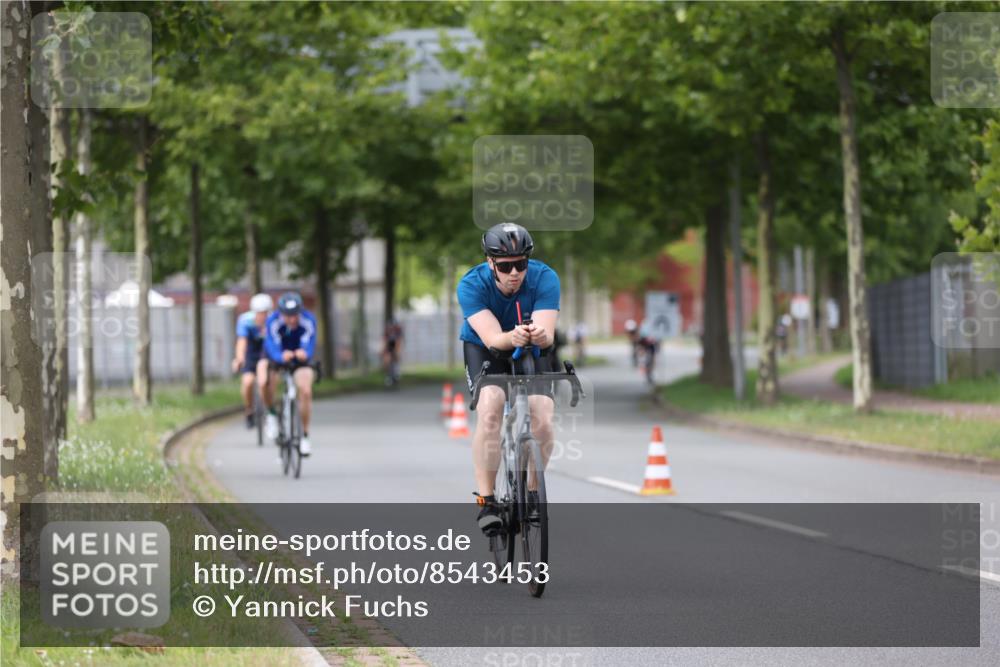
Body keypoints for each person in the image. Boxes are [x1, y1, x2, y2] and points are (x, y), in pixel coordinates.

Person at [457, 222, 560, 536]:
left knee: (543, 413)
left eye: (521, 264)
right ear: (490, 263)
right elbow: (491, 339)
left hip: (530, 347)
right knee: (491, 407)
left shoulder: (545, 278)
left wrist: (539, 335)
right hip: (487, 348)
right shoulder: (471, 285)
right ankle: (487, 501)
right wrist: (511, 336)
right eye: (505, 266)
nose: (515, 272)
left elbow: (547, 335)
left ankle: (531, 493)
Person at [263, 292, 318, 456]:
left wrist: (304, 352)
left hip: (300, 360)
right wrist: (280, 356)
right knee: (267, 382)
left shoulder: (309, 320)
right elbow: (271, 344)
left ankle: (305, 436)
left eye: (295, 315)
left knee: (306, 390)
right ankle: (271, 414)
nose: (292, 320)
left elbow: (310, 342)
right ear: (281, 313)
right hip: (279, 358)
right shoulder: (272, 321)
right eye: (288, 316)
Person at [232, 293, 273, 429]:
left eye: (265, 313)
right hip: (251, 351)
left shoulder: (273, 321)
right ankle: (249, 409)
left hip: (267, 351)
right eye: (260, 313)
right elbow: (241, 342)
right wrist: (239, 358)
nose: (263, 316)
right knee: (248, 382)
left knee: (268, 382)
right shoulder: (245, 320)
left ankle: (269, 408)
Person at [381, 317, 404, 387]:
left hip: (397, 343)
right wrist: (383, 350)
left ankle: (396, 373)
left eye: (392, 327)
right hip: (389, 344)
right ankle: (388, 375)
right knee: (386, 359)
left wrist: (397, 352)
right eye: (390, 327)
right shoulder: (386, 331)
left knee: (396, 357)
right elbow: (384, 341)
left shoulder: (398, 330)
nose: (391, 329)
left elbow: (399, 342)